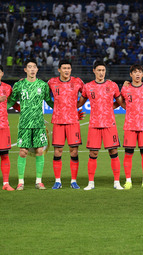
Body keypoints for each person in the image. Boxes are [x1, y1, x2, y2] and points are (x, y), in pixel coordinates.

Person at [7, 59, 54, 190]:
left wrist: (62, 107)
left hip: (39, 124)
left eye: (34, 67)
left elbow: (49, 102)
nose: (32, 69)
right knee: (22, 152)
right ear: (25, 70)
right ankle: (20, 182)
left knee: (40, 151)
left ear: (37, 70)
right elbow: (11, 101)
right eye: (29, 67)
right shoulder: (19, 85)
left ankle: (39, 181)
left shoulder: (43, 85)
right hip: (24, 124)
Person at [77, 60, 124, 190]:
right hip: (94, 124)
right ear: (94, 71)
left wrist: (110, 107)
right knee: (93, 153)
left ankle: (116, 182)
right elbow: (79, 103)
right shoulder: (88, 87)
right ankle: (91, 183)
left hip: (110, 124)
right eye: (99, 70)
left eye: (103, 70)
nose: (101, 73)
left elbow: (120, 102)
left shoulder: (112, 85)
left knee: (114, 152)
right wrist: (67, 108)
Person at [48, 60, 84, 189]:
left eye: (68, 68)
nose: (66, 70)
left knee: (74, 151)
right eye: (64, 68)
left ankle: (73, 181)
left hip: (73, 121)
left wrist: (77, 106)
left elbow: (86, 93)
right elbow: (45, 96)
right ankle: (58, 181)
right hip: (58, 121)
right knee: (58, 151)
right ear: (59, 70)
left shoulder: (78, 82)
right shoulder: (52, 82)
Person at [0, 65, 20, 191]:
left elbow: (13, 103)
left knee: (4, 155)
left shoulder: (7, 88)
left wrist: (25, 111)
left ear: (2, 73)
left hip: (3, 126)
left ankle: (6, 183)